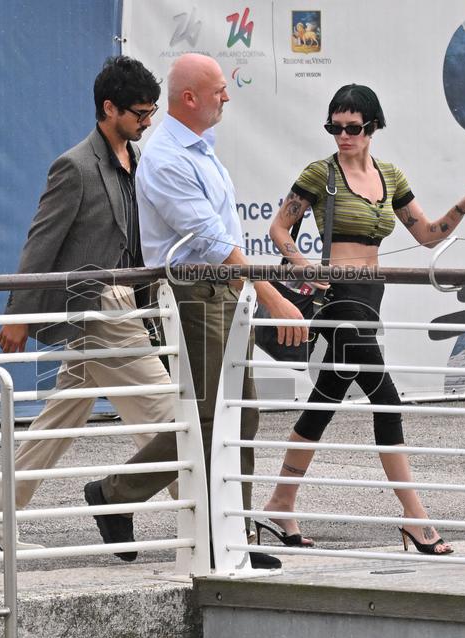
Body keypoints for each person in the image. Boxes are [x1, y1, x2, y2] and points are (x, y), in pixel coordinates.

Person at [83, 53, 307, 570]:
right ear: (190, 98)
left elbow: (218, 237)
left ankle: (226, 533)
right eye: (219, 90)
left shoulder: (196, 150)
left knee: (238, 416)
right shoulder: (166, 157)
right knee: (210, 418)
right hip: (193, 296)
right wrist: (272, 296)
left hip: (221, 294)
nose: (227, 97)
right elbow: (208, 240)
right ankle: (131, 500)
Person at [257, 83, 465, 555]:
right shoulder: (319, 174)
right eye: (335, 127)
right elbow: (280, 227)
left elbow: (426, 235)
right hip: (336, 298)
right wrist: (304, 267)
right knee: (385, 398)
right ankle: (415, 517)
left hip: (371, 298)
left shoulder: (390, 175)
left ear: (373, 128)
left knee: (323, 403)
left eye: (353, 128)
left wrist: (461, 209)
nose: (343, 136)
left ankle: (280, 503)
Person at [0, 55, 179, 551]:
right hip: (99, 309)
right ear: (109, 109)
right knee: (172, 417)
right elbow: (40, 244)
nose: (147, 122)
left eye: (151, 112)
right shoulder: (75, 166)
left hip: (126, 301)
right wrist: (19, 316)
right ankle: (209, 523)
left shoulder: (138, 161)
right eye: (139, 113)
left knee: (58, 420)